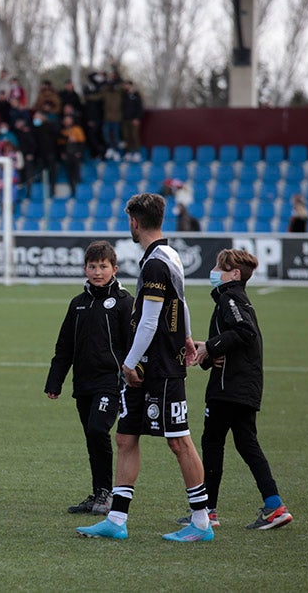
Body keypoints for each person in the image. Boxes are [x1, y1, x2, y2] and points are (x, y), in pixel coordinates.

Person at [77, 192, 211, 542]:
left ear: (134, 222)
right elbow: (182, 301)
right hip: (156, 361)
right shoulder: (169, 254)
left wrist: (129, 363)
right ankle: (117, 520)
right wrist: (188, 335)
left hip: (160, 366)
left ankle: (201, 522)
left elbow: (150, 321)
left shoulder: (154, 262)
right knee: (125, 438)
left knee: (179, 441)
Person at [182, 249, 293, 531]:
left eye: (220, 266)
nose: (214, 270)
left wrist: (210, 346)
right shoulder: (233, 299)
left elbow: (244, 332)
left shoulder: (230, 297)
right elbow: (235, 341)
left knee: (212, 443)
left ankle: (208, 510)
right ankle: (274, 505)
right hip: (244, 385)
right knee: (246, 444)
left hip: (229, 388)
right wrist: (209, 353)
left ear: (234, 274)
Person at [44, 241, 133, 517]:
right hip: (83, 383)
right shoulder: (78, 304)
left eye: (103, 267)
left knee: (98, 430)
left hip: (112, 381)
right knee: (91, 437)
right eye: (92, 267)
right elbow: (64, 346)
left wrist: (134, 375)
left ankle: (108, 494)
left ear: (114, 269)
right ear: (85, 268)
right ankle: (98, 493)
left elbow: (133, 344)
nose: (97, 272)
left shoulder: (124, 302)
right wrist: (55, 381)